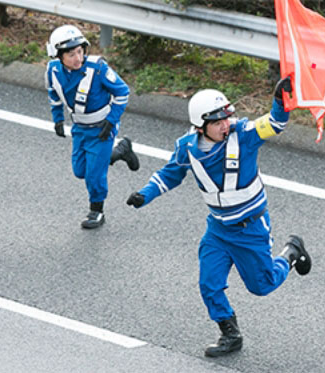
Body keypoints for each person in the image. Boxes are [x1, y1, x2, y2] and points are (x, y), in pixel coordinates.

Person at [126, 77, 312, 357]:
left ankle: (291, 252)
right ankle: (230, 334)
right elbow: (169, 174)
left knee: (262, 286)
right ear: (200, 126)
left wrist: (280, 101)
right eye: (217, 122)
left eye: (227, 117)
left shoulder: (245, 133)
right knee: (209, 284)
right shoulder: (187, 147)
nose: (225, 125)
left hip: (251, 229)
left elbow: (275, 123)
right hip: (218, 231)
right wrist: (145, 194)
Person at [45, 24, 139, 229]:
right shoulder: (52, 71)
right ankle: (121, 150)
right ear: (57, 56)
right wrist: (58, 119)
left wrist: (112, 120)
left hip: (102, 128)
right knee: (80, 171)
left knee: (94, 175)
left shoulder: (97, 69)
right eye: (71, 54)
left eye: (80, 52)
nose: (77, 58)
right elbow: (54, 94)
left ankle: (97, 211)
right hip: (80, 128)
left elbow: (122, 92)